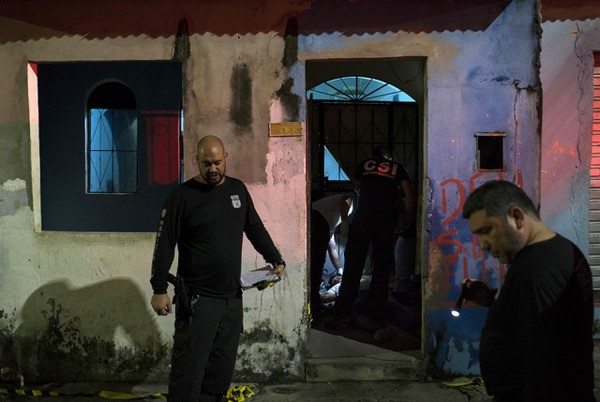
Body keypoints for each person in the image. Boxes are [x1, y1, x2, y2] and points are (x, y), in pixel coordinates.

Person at [149, 135, 286, 402]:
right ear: (196, 161)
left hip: (232, 298)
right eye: (206, 164)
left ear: (226, 157)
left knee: (220, 369)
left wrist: (275, 259)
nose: (213, 169)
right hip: (198, 300)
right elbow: (164, 243)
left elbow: (254, 228)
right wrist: (159, 288)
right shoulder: (181, 197)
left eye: (217, 162)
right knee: (189, 369)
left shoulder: (237, 190)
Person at [461, 180, 595, 402]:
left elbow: (541, 365)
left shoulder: (534, 272)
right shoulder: (560, 249)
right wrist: (493, 298)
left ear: (517, 217)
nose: (483, 245)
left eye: (486, 231)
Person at [328, 145, 416, 329]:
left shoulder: (363, 165)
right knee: (382, 267)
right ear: (388, 158)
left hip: (363, 219)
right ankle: (375, 313)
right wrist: (408, 217)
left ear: (373, 157)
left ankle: (342, 313)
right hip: (385, 221)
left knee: (353, 267)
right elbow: (409, 194)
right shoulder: (397, 168)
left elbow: (356, 187)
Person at [310, 193, 353, 317]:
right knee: (317, 262)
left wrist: (340, 271)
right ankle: (314, 303)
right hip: (315, 217)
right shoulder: (351, 202)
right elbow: (345, 198)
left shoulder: (329, 223)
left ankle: (314, 301)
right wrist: (344, 221)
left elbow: (332, 248)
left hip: (315, 217)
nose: (336, 280)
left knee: (317, 262)